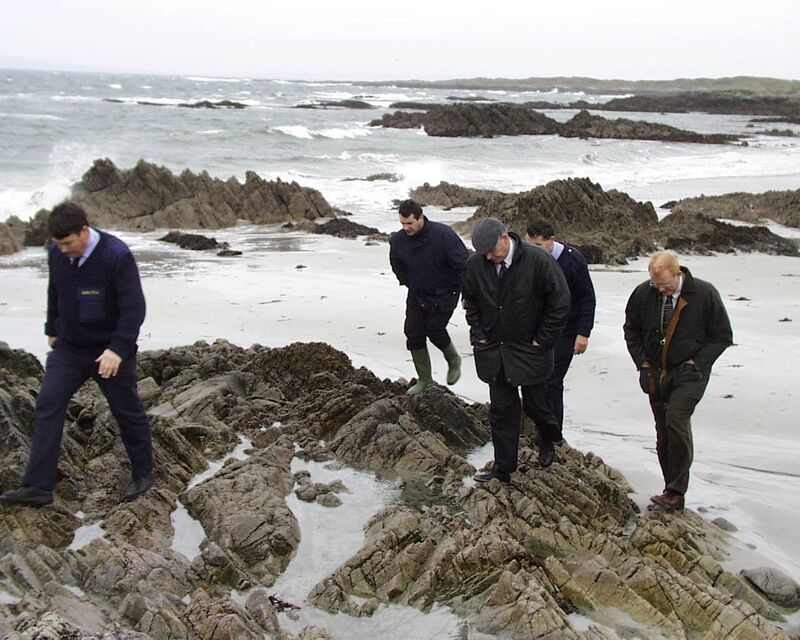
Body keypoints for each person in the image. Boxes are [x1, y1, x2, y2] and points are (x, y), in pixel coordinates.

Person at [0, 202, 155, 507]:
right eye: (58, 244)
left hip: (110, 351)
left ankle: (144, 473)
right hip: (69, 349)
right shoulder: (57, 253)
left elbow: (134, 308)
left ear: (85, 231)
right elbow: (54, 291)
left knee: (127, 410)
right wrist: (51, 326)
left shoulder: (116, 255)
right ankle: (38, 487)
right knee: (47, 403)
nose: (63, 249)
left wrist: (117, 350)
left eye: (68, 243)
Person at [461, 218, 570, 483]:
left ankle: (548, 438)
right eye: (483, 252)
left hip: (531, 348)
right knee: (501, 410)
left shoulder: (538, 261)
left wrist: (543, 340)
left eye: (491, 250)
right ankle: (503, 467)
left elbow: (560, 302)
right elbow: (470, 302)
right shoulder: (476, 264)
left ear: (504, 237)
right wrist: (479, 335)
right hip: (494, 350)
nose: (488, 256)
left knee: (537, 405)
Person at [623, 251, 732, 511]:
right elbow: (631, 330)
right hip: (655, 373)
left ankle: (676, 491)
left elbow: (723, 336)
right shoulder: (643, 293)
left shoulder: (704, 294)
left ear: (677, 273)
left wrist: (698, 363)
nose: (661, 289)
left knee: (676, 420)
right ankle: (669, 487)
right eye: (656, 284)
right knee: (662, 431)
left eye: (666, 284)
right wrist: (643, 363)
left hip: (689, 373)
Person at [389, 199, 469, 394]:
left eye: (410, 223)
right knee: (413, 332)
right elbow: (396, 265)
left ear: (421, 217)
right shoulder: (398, 241)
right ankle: (425, 380)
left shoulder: (444, 235)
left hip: (445, 291)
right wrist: (409, 282)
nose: (406, 228)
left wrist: (467, 294)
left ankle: (454, 359)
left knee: (434, 329)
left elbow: (464, 266)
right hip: (417, 292)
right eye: (402, 224)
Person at [526, 219, 596, 440]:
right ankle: (541, 425)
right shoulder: (530, 260)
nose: (533, 250)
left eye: (537, 245)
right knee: (534, 379)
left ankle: (554, 433)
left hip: (568, 329)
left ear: (551, 241)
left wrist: (583, 333)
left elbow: (587, 298)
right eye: (530, 245)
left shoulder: (573, 260)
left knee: (553, 380)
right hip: (539, 328)